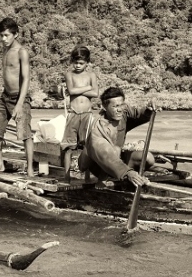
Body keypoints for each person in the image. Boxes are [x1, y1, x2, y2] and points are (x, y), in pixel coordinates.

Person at [78, 87, 157, 188]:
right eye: (115, 106)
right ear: (104, 107)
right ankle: (104, 180)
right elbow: (104, 153)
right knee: (115, 149)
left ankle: (123, 174)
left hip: (115, 159)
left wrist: (148, 110)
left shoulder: (124, 112)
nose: (120, 109)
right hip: (97, 162)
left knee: (148, 158)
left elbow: (139, 114)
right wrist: (127, 172)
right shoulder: (98, 126)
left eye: (121, 105)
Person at [0, 17, 34, 176]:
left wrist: (20, 104)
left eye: (6, 35)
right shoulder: (5, 49)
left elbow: (26, 78)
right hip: (5, 96)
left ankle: (29, 169)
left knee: (25, 134)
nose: (3, 39)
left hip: (19, 98)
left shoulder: (22, 52)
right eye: (1, 35)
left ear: (15, 34)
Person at [60, 46, 99, 180]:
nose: (77, 65)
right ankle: (67, 177)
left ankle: (87, 176)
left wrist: (80, 89)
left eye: (81, 63)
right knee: (68, 146)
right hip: (73, 113)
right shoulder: (69, 75)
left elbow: (95, 93)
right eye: (75, 62)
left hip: (87, 114)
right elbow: (71, 91)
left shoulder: (91, 75)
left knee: (86, 146)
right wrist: (88, 87)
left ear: (87, 63)